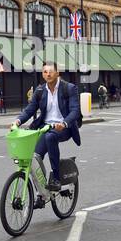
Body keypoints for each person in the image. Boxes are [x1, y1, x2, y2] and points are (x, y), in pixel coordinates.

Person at [13, 61, 81, 191]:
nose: (48, 74)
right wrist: (18, 121)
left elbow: (75, 111)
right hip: (45, 127)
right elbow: (29, 110)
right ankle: (41, 191)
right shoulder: (40, 91)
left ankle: (56, 178)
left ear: (57, 73)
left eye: (51, 71)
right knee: (35, 157)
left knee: (50, 137)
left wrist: (64, 123)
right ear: (43, 74)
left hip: (63, 127)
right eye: (45, 72)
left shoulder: (69, 88)